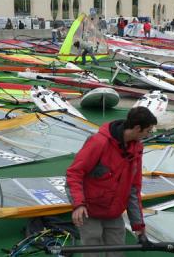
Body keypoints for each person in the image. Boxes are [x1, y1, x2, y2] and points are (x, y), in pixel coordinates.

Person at [66, 107, 157, 256]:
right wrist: (78, 205)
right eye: (148, 130)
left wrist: (138, 225)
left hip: (114, 213)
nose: (150, 134)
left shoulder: (136, 149)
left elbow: (133, 189)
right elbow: (74, 173)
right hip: (89, 211)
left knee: (117, 252)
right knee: (92, 252)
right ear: (137, 128)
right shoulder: (99, 142)